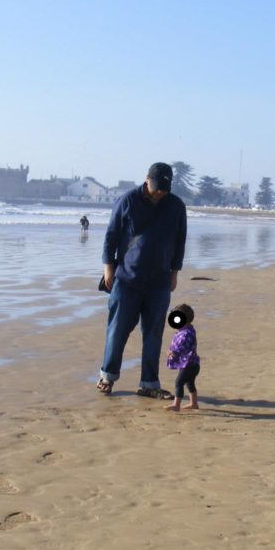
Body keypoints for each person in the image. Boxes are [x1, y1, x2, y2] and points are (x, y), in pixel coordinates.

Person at [96, 162, 187, 399]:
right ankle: (107, 376)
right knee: (117, 330)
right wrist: (108, 268)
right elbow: (111, 235)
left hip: (159, 282)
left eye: (164, 188)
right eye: (157, 187)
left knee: (154, 333)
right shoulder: (128, 201)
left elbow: (180, 241)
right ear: (147, 179)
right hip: (127, 279)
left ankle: (148, 383)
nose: (160, 192)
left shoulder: (176, 206)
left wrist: (174, 273)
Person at [165, 303, 200, 411]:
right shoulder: (188, 330)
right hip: (193, 364)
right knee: (190, 383)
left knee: (178, 383)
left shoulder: (185, 334)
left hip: (189, 365)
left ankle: (176, 404)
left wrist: (173, 353)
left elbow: (182, 347)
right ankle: (193, 403)